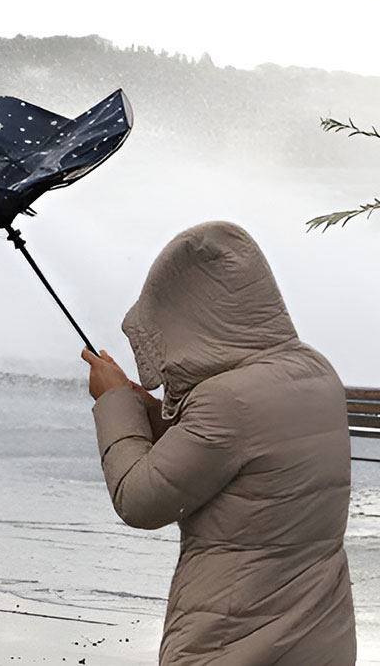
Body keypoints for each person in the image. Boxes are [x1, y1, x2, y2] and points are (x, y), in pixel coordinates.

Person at [81, 220, 355, 665]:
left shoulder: (227, 400)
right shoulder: (314, 370)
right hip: (319, 635)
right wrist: (148, 410)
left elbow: (139, 501)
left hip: (233, 638)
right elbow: (239, 458)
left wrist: (113, 402)